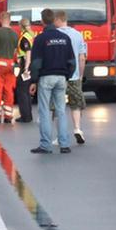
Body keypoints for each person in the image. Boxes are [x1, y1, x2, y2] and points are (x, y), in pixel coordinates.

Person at [29, 8, 75, 154]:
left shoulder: (40, 39)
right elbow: (72, 62)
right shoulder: (65, 38)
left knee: (44, 111)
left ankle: (45, 145)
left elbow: (36, 63)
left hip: (46, 77)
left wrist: (33, 81)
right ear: (54, 20)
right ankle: (64, 144)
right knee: (61, 111)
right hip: (61, 78)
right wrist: (67, 75)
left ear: (42, 21)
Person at [53, 10, 88, 144]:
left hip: (59, 75)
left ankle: (60, 136)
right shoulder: (78, 35)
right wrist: (80, 75)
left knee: (58, 106)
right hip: (74, 76)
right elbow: (82, 57)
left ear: (58, 20)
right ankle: (77, 129)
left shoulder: (55, 35)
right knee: (76, 105)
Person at [14, 17, 35, 123]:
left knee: (22, 91)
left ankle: (25, 116)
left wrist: (26, 68)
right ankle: (28, 115)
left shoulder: (25, 38)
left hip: (25, 66)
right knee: (25, 91)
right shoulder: (30, 35)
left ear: (21, 26)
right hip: (28, 65)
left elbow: (28, 52)